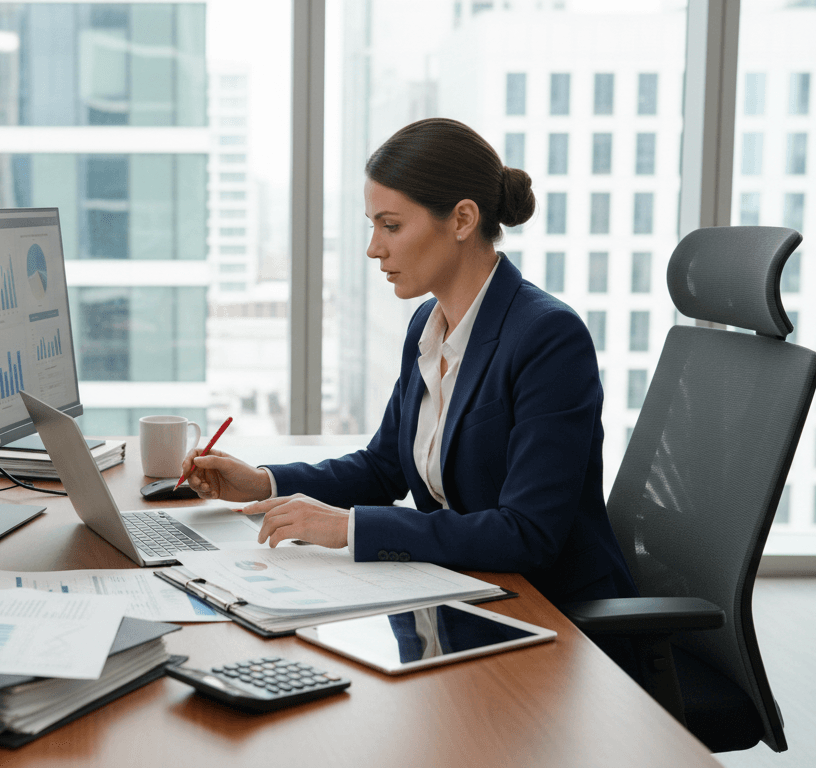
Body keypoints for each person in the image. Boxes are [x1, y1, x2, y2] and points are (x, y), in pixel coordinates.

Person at [182, 117, 637, 611]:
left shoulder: (548, 338)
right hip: (462, 594)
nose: (375, 247)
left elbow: (527, 533)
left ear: (462, 220)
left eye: (391, 226)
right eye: (373, 225)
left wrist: (348, 527)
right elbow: (382, 468)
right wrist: (263, 482)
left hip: (556, 617)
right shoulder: (428, 323)